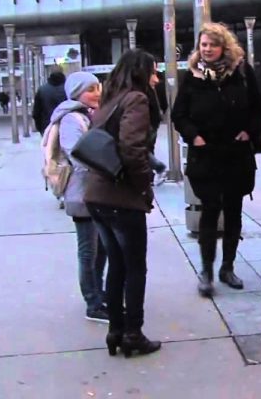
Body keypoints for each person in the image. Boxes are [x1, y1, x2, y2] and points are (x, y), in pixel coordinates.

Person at [171, 22, 261, 297]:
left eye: (213, 45)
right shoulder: (192, 76)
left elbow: (259, 108)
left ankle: (228, 266)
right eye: (203, 45)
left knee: (234, 210)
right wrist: (194, 136)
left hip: (236, 154)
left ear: (224, 47)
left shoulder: (241, 72)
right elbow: (179, 114)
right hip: (206, 154)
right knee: (209, 210)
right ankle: (206, 270)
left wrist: (248, 131)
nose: (208, 49)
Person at [84, 49, 160, 357]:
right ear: (142, 73)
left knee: (116, 265)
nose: (156, 79)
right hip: (121, 197)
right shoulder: (136, 100)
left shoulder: (109, 100)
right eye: (153, 73)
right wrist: (143, 186)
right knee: (135, 268)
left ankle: (116, 329)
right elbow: (132, 147)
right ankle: (133, 333)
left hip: (97, 195)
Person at [47, 71, 108, 323]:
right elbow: (78, 153)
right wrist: (107, 165)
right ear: (76, 93)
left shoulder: (87, 114)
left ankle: (98, 292)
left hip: (93, 190)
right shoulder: (73, 118)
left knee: (101, 247)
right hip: (81, 193)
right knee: (88, 250)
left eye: (97, 88)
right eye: (90, 89)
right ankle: (92, 303)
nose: (97, 93)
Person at [148, 71, 168, 185]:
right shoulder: (139, 95)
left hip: (152, 123)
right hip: (151, 123)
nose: (155, 80)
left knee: (148, 147)